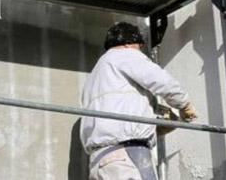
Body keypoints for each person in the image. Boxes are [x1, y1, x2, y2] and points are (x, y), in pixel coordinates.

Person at [81, 22, 197, 180]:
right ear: (129, 43)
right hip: (127, 154)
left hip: (99, 160)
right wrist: (185, 105)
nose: (140, 51)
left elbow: (122, 106)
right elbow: (161, 81)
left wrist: (156, 121)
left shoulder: (96, 76)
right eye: (139, 47)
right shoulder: (124, 54)